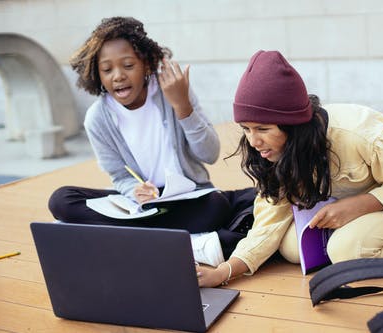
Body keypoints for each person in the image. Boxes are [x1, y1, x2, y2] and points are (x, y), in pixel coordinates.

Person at [197, 50, 383, 287]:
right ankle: (363, 234)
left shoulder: (362, 135)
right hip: (351, 203)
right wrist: (223, 272)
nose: (253, 141)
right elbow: (268, 223)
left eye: (262, 129)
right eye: (245, 128)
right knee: (291, 247)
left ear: (292, 126)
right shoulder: (276, 150)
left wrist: (358, 205)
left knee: (344, 251)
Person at [47, 17, 255, 267]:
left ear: (146, 64)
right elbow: (119, 176)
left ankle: (125, 239)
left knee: (215, 206)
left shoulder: (174, 92)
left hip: (188, 199)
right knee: (61, 200)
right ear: (97, 74)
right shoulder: (97, 118)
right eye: (107, 69)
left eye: (127, 65)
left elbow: (209, 153)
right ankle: (170, 240)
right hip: (141, 204)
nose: (118, 76)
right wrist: (134, 191)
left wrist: (183, 107)